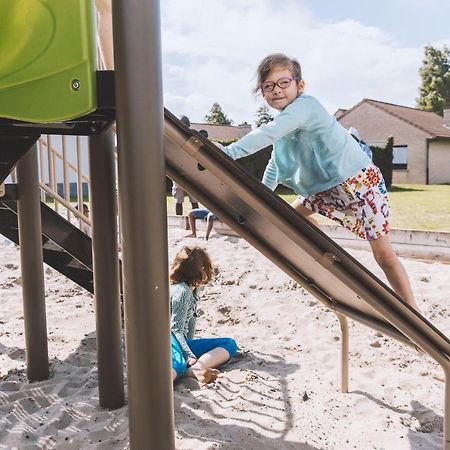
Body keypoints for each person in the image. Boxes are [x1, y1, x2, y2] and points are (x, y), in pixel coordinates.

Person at [221, 53, 418, 310]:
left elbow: (265, 135)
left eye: (283, 83)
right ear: (263, 93)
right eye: (268, 86)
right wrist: (262, 197)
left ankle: (413, 310)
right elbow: (275, 165)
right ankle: (328, 251)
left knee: (384, 255)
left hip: (359, 183)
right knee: (291, 217)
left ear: (299, 86)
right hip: (324, 190)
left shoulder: (306, 106)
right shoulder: (284, 124)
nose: (276, 90)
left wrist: (228, 153)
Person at [170, 246, 238, 383]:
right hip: (169, 340)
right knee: (177, 363)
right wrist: (188, 354)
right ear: (201, 270)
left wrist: (190, 350)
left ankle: (193, 370)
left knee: (229, 343)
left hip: (182, 341)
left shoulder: (193, 290)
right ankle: (180, 372)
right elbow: (175, 328)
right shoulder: (181, 291)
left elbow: (188, 328)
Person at [172, 116, 199, 215]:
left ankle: (196, 220)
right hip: (178, 171)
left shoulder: (192, 135)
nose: (186, 125)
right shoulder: (174, 135)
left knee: (194, 200)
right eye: (184, 123)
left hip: (191, 172)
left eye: (187, 123)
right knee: (178, 200)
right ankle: (180, 221)